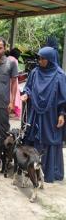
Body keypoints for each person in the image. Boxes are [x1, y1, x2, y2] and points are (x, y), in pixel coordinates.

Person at [21, 46, 66, 183]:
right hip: (35, 112)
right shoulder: (35, 72)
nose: (39, 61)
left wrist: (62, 114)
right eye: (39, 58)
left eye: (42, 58)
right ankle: (30, 169)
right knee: (32, 137)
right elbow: (28, 87)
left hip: (51, 115)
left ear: (50, 59)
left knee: (49, 139)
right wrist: (26, 94)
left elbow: (64, 97)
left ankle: (49, 171)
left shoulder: (60, 75)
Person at [8, 48, 22, 119]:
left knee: (8, 95)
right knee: (14, 95)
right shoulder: (15, 60)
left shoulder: (7, 58)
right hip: (13, 80)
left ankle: (9, 111)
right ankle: (13, 112)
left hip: (7, 80)